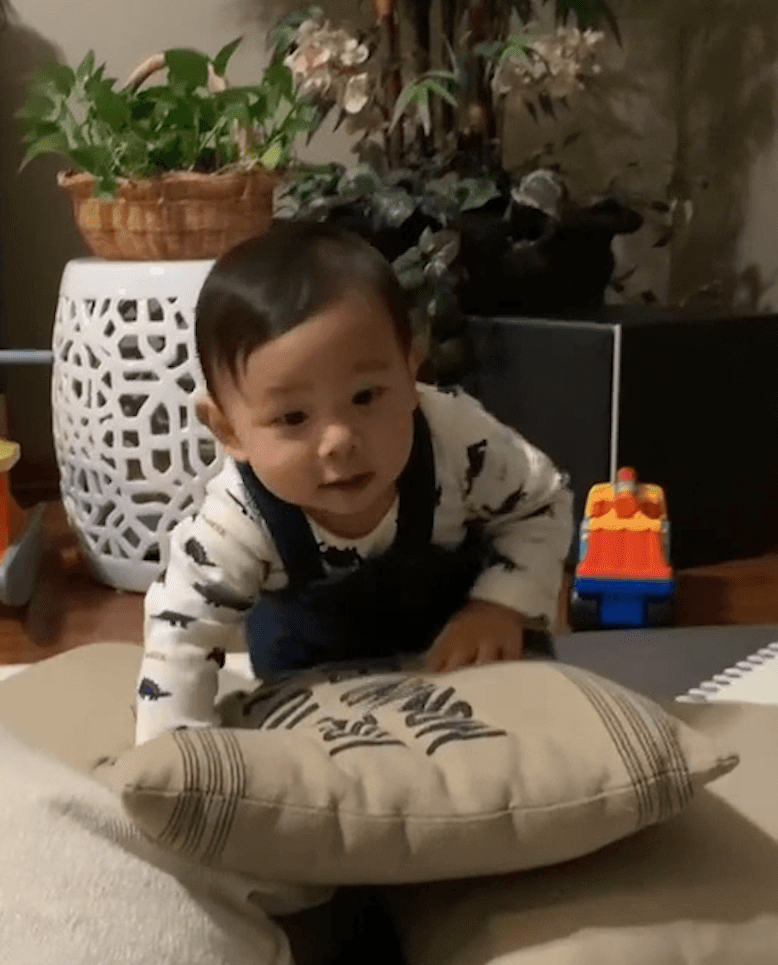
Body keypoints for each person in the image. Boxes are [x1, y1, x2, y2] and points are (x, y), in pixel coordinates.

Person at [134, 221, 574, 745]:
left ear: (412, 372)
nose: (339, 441)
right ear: (229, 430)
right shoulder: (236, 520)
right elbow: (182, 628)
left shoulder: (455, 441)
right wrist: (175, 755)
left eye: (366, 397)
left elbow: (541, 501)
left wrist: (499, 606)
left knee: (538, 718)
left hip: (462, 654)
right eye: (294, 419)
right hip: (314, 687)